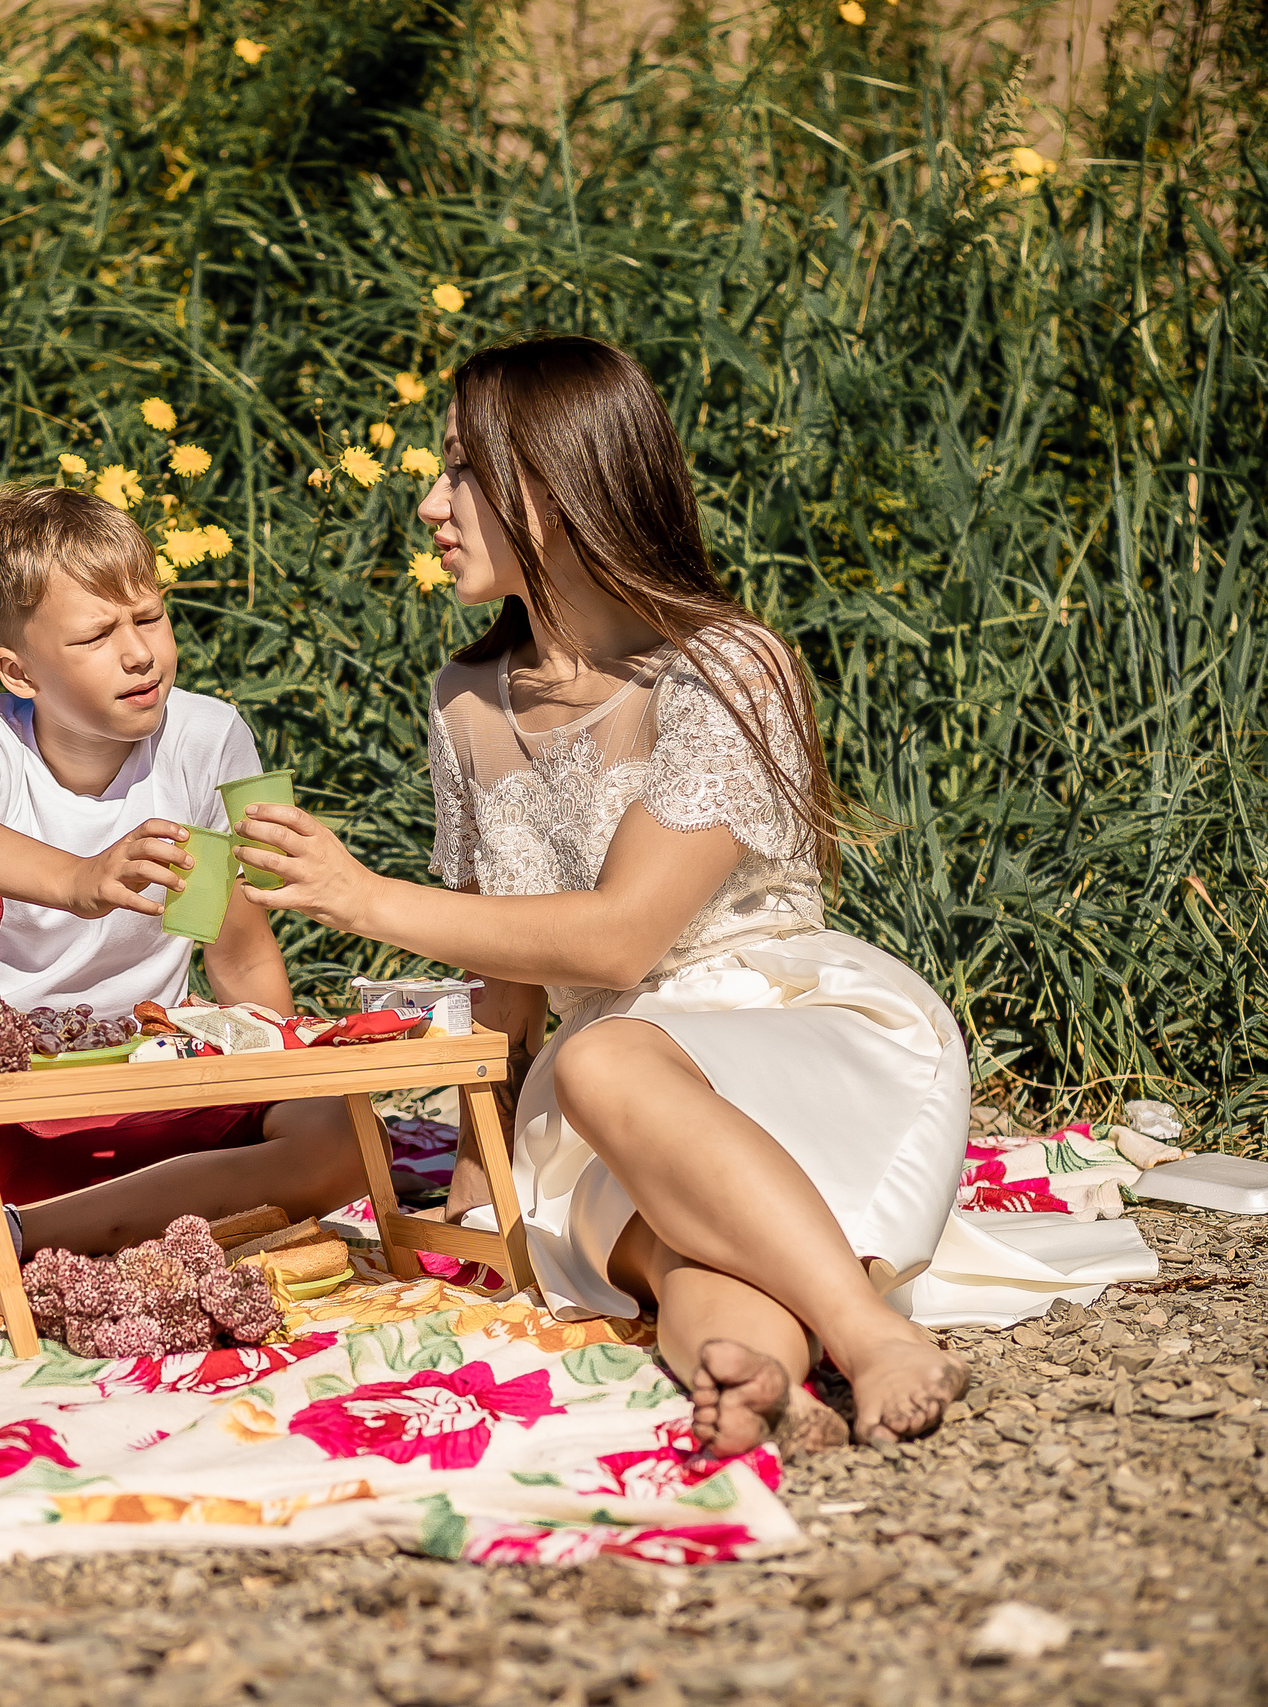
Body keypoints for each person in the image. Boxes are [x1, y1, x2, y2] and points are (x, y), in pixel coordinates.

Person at [237, 335, 971, 1459]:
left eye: (462, 470)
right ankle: (752, 1377)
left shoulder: (728, 666)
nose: (432, 504)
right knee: (660, 1246)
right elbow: (508, 974)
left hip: (781, 1025)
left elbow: (623, 939)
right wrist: (480, 1165)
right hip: (605, 1085)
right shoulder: (466, 699)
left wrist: (361, 897)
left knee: (603, 1061)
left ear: (558, 481)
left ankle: (872, 1338)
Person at [0, 483, 363, 1269]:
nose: (139, 652)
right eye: (96, 635)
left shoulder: (204, 736)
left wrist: (278, 1074)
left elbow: (239, 949)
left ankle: (6, 1239)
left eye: (149, 617)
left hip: (151, 1099)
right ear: (20, 673)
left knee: (344, 1134)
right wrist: (76, 877)